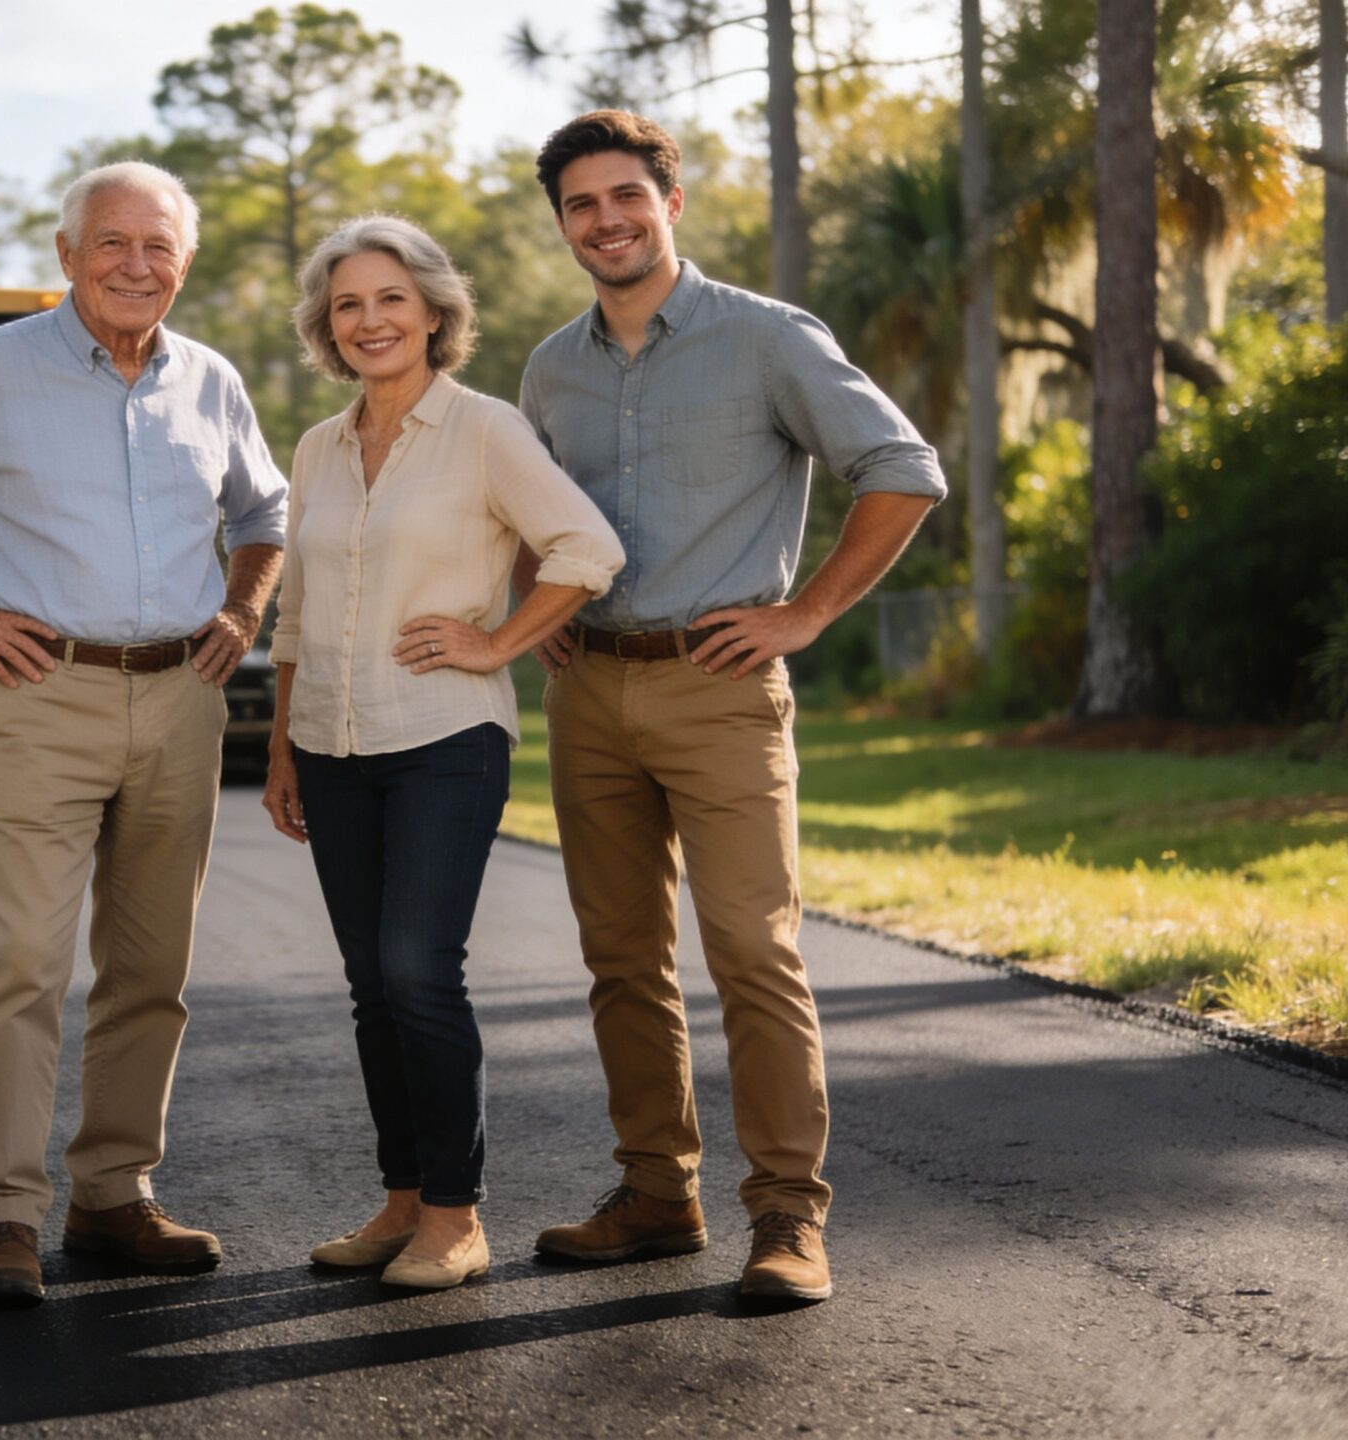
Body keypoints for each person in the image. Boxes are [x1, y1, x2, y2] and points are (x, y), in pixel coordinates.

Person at [0, 161, 287, 1310]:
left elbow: (265, 511)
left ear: (185, 258)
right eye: (112, 244)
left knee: (151, 970)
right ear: (68, 255)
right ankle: (2, 1218)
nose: (137, 265)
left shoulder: (211, 381)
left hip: (180, 699)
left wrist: (242, 610)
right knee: (23, 965)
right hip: (43, 698)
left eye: (158, 246)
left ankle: (115, 1198)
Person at [515, 110, 946, 1303]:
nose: (604, 220)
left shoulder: (766, 339)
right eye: (579, 205)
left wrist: (803, 615)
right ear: (561, 224)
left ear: (670, 200)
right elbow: (530, 508)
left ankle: (788, 1219)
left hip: (719, 687)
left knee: (754, 952)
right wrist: (531, 614)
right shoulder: (550, 367)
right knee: (620, 958)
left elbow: (903, 470)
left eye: (623, 196)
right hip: (587, 691)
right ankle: (657, 1194)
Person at [263, 216, 624, 1290]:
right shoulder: (319, 448)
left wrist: (498, 642)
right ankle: (400, 1200)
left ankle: (456, 1218)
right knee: (372, 984)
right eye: (346, 305)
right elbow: (294, 616)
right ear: (327, 329)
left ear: (432, 312)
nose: (369, 321)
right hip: (329, 739)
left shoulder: (484, 430)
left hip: (442, 738)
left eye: (389, 299)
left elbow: (585, 548)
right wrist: (283, 750)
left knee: (421, 973)